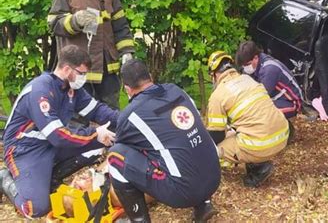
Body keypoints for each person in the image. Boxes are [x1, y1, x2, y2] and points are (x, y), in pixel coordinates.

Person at [0, 45, 118, 218]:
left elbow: (98, 111)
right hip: (25, 149)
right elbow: (59, 137)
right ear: (67, 69)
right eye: (81, 73)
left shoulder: (72, 88)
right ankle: (4, 178)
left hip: (50, 144)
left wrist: (127, 120)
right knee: (36, 208)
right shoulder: (41, 91)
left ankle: (49, 177)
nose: (84, 78)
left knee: (98, 147)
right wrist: (95, 134)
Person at [107, 59, 221, 222]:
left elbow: (126, 147)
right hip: (214, 177)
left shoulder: (130, 115)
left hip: (184, 192)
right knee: (180, 141)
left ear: (127, 89)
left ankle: (139, 220)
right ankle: (204, 204)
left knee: (115, 156)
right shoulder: (176, 90)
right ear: (151, 77)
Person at [48, 0, 135, 109]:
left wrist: (127, 52)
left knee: (111, 113)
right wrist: (75, 21)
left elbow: (121, 26)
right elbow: (54, 24)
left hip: (107, 70)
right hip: (78, 70)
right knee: (79, 117)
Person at [206, 51, 289, 188]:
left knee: (213, 148)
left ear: (214, 74)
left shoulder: (218, 95)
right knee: (237, 131)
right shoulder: (247, 79)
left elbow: (216, 134)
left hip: (261, 143)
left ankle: (259, 168)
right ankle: (257, 162)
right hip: (282, 135)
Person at [235, 41, 303, 139]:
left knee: (260, 112)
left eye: (248, 64)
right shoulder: (257, 65)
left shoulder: (269, 70)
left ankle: (285, 133)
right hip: (278, 98)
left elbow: (260, 97)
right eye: (244, 66)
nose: (246, 68)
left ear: (255, 57)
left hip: (292, 102)